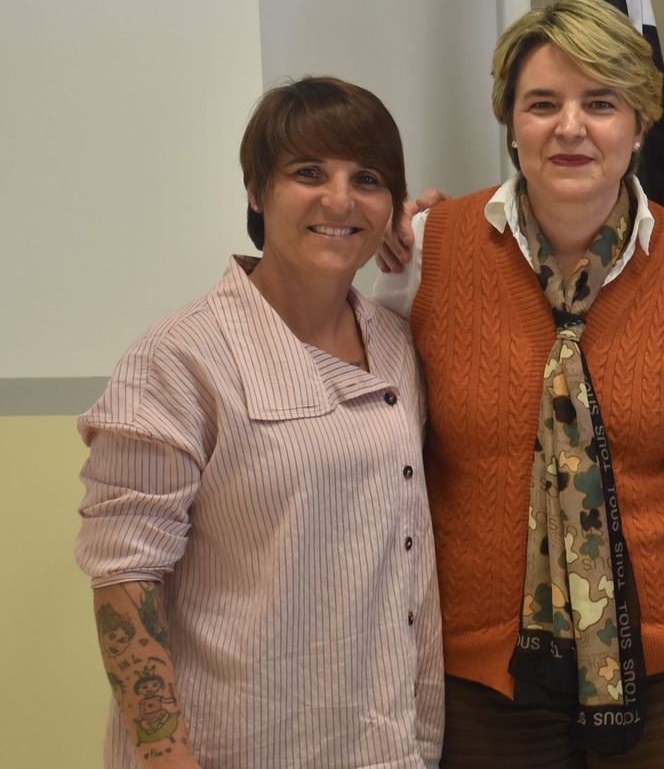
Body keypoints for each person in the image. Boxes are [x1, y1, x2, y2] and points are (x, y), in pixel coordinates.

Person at [372, 0, 664, 768]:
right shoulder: (424, 253)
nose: (571, 128)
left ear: (640, 124)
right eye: (542, 103)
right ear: (512, 124)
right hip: (486, 670)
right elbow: (378, 441)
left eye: (601, 103)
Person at [76, 77, 443, 767]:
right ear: (256, 190)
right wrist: (165, 757)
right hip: (238, 744)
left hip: (387, 742)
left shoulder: (395, 342)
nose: (340, 200)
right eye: (308, 173)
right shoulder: (179, 358)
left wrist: (442, 240)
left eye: (367, 179)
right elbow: (125, 582)